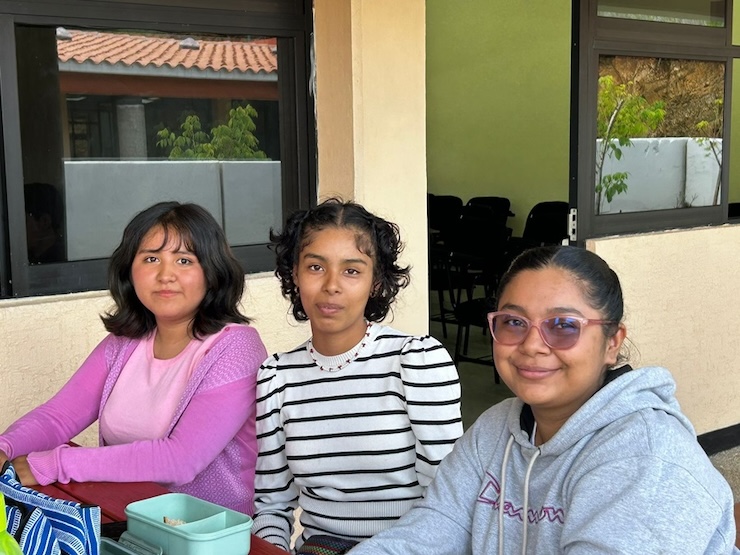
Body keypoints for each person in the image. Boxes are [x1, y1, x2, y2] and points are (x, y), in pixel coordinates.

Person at [348, 245, 739, 555]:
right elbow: (433, 529)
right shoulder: (495, 430)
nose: (532, 345)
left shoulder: (649, 458)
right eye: (514, 322)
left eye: (564, 326)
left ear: (612, 342)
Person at [0, 201, 267, 514]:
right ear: (130, 270)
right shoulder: (123, 343)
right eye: (151, 258)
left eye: (184, 260)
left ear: (212, 272)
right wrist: (5, 447)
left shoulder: (236, 348)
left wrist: (54, 463)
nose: (165, 275)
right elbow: (58, 416)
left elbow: (181, 460)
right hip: (125, 516)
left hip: (210, 530)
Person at [252, 198, 463, 552]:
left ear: (376, 282)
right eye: (315, 267)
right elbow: (272, 506)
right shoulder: (276, 378)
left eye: (352, 271)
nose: (332, 285)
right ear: (295, 275)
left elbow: (449, 500)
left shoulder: (416, 363)